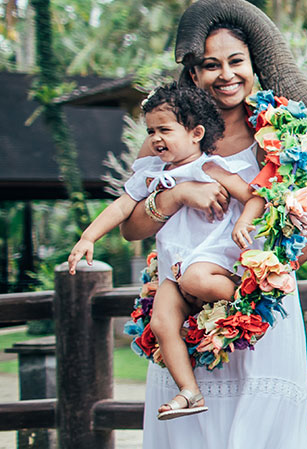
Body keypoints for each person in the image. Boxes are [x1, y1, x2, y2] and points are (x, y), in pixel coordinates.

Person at [120, 22, 307, 449]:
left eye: (236, 61)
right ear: (192, 73)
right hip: (183, 311)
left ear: (256, 64)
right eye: (210, 64)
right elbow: (132, 228)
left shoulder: (282, 135)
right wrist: (177, 194)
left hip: (259, 310)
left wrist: (286, 223)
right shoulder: (169, 135)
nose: (225, 75)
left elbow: (303, 245)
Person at [68, 83, 267, 419]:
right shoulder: (151, 175)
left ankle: (245, 300)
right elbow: (122, 208)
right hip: (173, 266)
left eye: (165, 130)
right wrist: (89, 237)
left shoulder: (210, 167)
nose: (155, 138)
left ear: (196, 133)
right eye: (151, 131)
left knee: (196, 279)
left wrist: (243, 223)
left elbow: (254, 196)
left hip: (211, 256)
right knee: (161, 322)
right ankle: (190, 392)